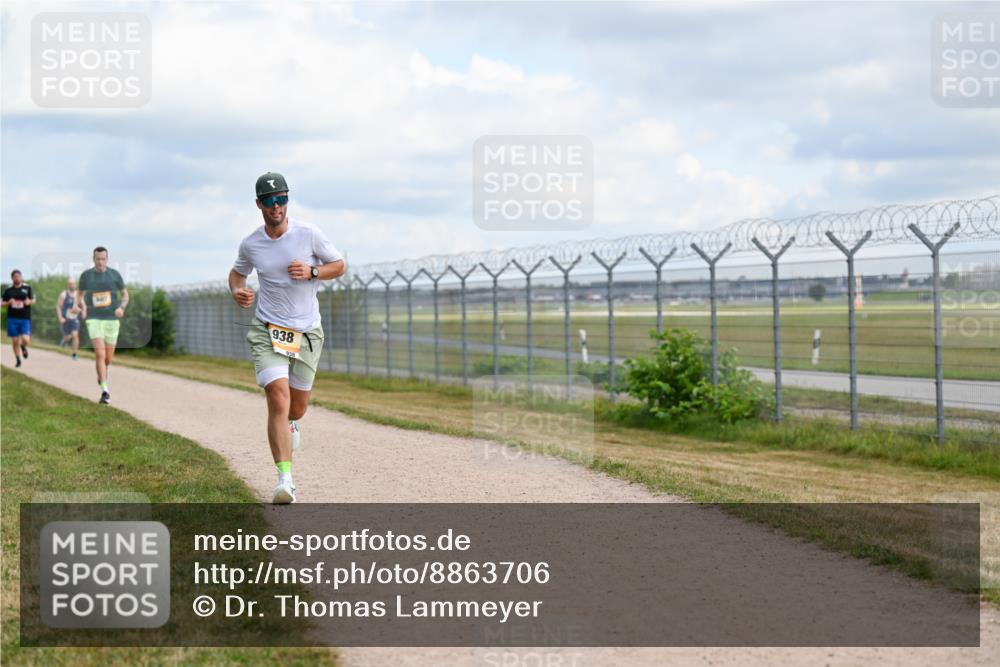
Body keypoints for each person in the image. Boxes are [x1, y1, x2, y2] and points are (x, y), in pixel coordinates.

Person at [229, 172, 345, 504]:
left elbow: (339, 265)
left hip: (306, 331)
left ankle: (291, 424)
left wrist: (312, 271)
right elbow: (237, 273)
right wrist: (238, 290)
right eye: (269, 200)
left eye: (281, 199)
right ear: (259, 204)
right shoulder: (251, 243)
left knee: (297, 407)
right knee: (278, 399)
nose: (276, 206)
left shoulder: (309, 234)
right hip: (268, 329)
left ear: (287, 201)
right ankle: (285, 480)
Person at [78, 247, 128, 404]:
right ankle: (105, 391)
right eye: (97, 259)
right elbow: (80, 296)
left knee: (108, 359)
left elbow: (125, 295)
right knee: (100, 354)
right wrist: (83, 307)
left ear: (107, 259)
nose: (100, 262)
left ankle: (101, 375)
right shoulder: (86, 276)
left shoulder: (114, 275)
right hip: (94, 319)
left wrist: (121, 308)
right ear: (93, 259)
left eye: (103, 259)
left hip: (112, 319)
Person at [2, 270, 35, 368]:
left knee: (26, 339)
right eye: (15, 277)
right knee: (15, 340)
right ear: (12, 278)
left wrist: (29, 302)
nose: (17, 278)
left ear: (21, 277)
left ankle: (23, 346)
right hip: (12, 318)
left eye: (18, 276)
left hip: (25, 318)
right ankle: (18, 359)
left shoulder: (27, 288)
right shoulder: (8, 290)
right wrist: (8, 303)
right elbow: (1, 303)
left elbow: (33, 299)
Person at [57, 278, 82, 360]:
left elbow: (83, 305)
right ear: (68, 285)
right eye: (70, 284)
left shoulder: (78, 294)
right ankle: (64, 341)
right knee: (67, 337)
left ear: (76, 284)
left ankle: (74, 354)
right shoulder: (63, 294)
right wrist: (60, 317)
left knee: (75, 335)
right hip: (66, 319)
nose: (72, 285)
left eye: (73, 284)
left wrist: (83, 311)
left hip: (75, 319)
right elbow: (58, 307)